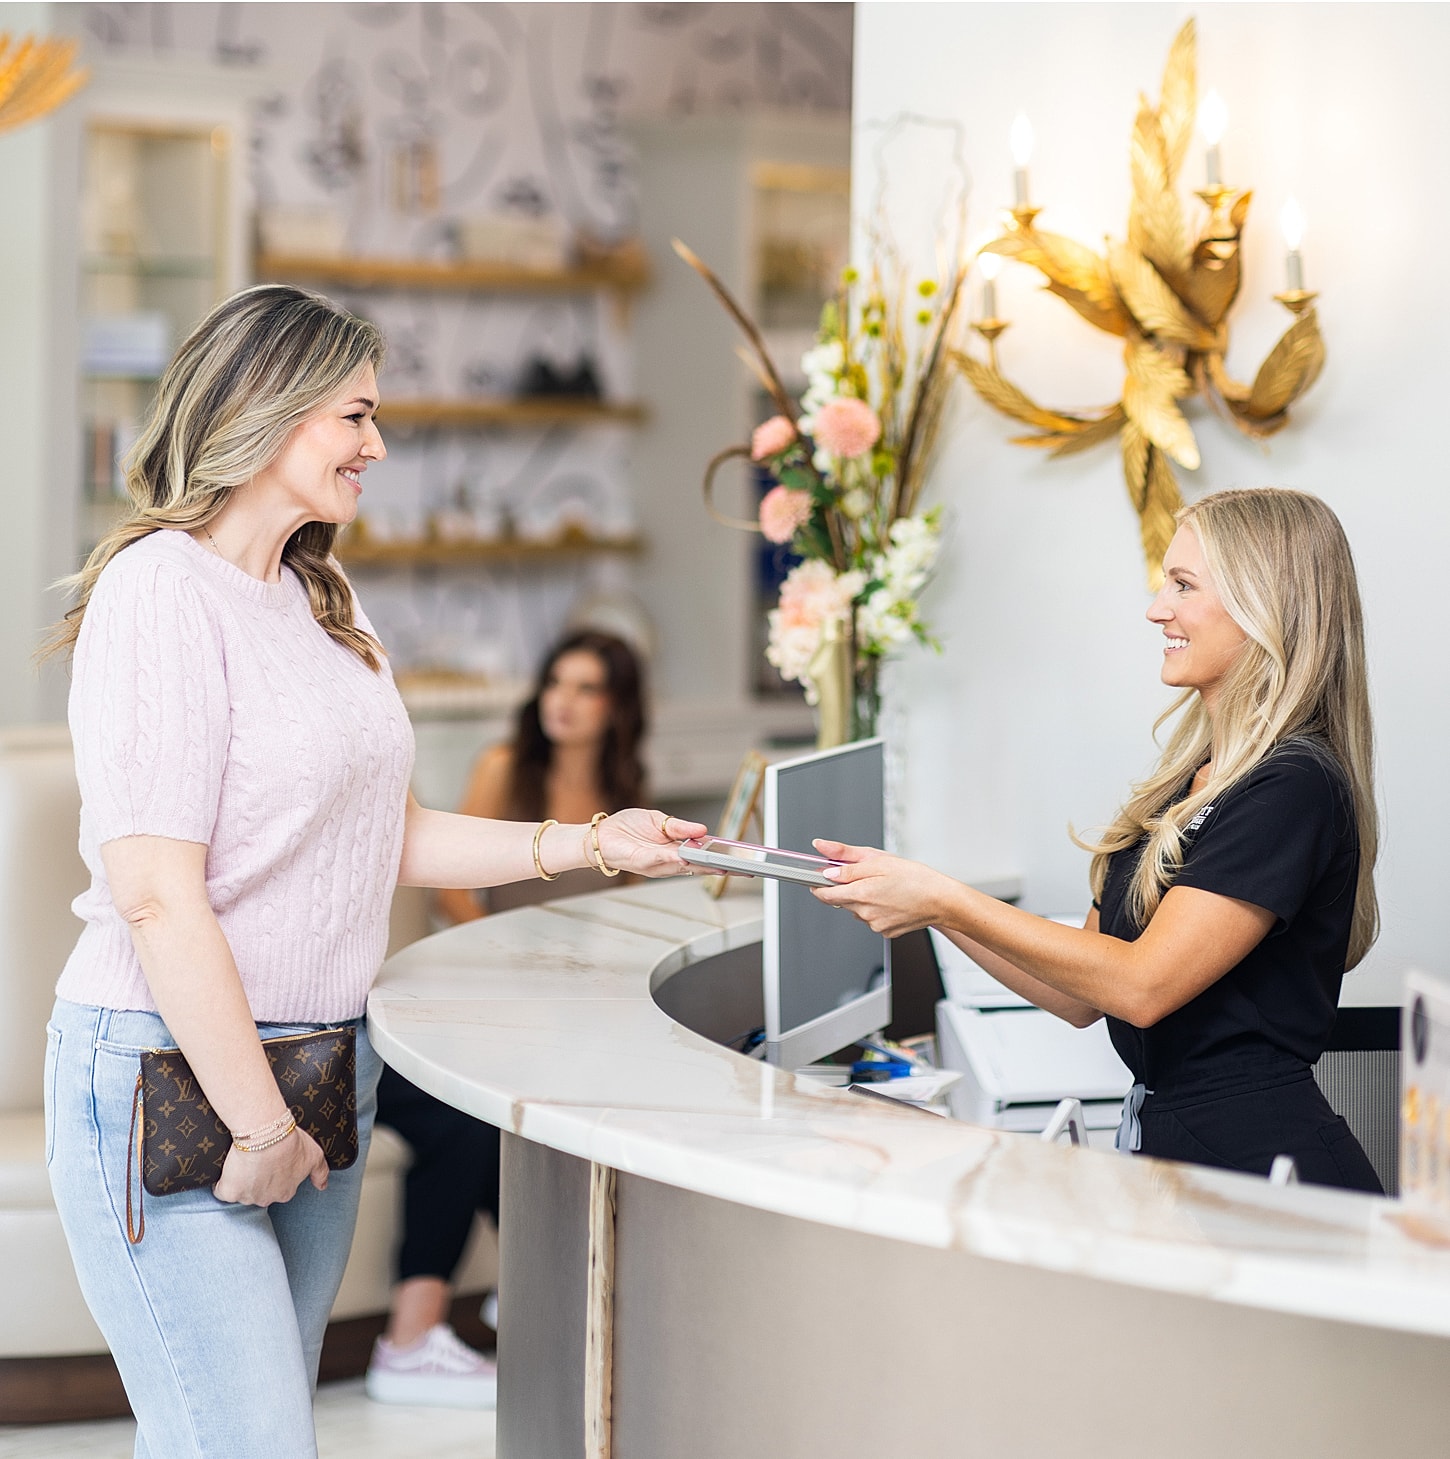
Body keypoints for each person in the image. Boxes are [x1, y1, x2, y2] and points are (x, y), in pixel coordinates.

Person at [40, 283, 704, 1459]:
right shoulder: (159, 592)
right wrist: (256, 1124)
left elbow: (382, 838)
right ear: (269, 406)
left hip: (318, 1069)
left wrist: (597, 840)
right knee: (245, 1441)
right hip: (170, 1071)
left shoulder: (319, 603)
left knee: (227, 1435)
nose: (376, 444)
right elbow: (153, 890)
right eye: (354, 415)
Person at [813, 488, 1383, 1192]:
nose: (1156, 609)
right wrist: (930, 902)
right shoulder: (1197, 776)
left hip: (1268, 1177)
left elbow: (1141, 985)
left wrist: (945, 899)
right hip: (1181, 1154)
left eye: (1183, 585)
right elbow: (1083, 994)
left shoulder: (1292, 786)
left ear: (1264, 604)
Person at [367, 628, 648, 1407]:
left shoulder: (625, 790)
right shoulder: (505, 770)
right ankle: (478, 1316)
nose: (563, 699)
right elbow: (451, 889)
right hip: (484, 997)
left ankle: (540, 1294)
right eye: (556, 680)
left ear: (618, 707)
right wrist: (510, 964)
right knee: (476, 1120)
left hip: (559, 1012)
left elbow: (607, 922)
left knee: (585, 1105)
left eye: (587, 687)